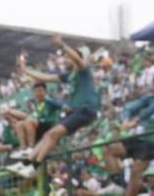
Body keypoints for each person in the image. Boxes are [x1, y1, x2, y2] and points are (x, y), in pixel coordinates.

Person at [20, 36, 100, 164]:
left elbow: (77, 60)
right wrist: (26, 70)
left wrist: (61, 44)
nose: (65, 59)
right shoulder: (68, 76)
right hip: (75, 111)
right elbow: (45, 77)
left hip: (85, 109)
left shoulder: (83, 70)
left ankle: (33, 164)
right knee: (49, 135)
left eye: (67, 57)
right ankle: (29, 163)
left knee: (53, 133)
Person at [105, 70, 154, 196]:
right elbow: (129, 109)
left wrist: (135, 121)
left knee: (137, 168)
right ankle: (120, 184)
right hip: (144, 138)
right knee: (111, 149)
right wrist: (125, 120)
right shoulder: (149, 98)